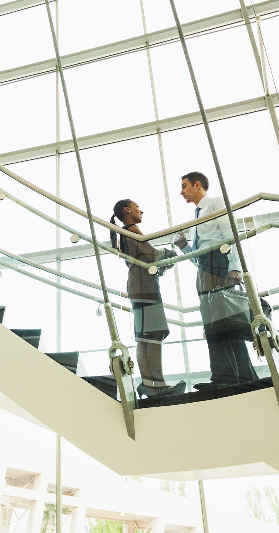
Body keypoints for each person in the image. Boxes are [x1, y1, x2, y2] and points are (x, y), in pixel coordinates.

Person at [173, 171, 258, 386]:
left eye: (184, 186)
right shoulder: (197, 215)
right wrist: (185, 247)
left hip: (220, 265)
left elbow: (230, 234)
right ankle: (230, 375)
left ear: (197, 185)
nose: (181, 191)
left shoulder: (215, 203)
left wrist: (235, 267)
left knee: (224, 321)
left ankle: (235, 376)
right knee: (213, 324)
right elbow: (199, 257)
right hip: (206, 269)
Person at [110, 199, 186, 398]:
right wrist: (168, 254)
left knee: (145, 336)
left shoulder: (125, 233)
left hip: (139, 286)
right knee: (154, 334)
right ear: (127, 210)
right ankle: (157, 384)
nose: (140, 210)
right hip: (145, 288)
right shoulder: (132, 230)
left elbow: (144, 258)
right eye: (136, 207)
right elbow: (150, 254)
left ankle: (149, 383)